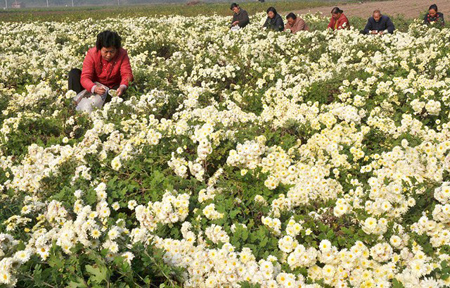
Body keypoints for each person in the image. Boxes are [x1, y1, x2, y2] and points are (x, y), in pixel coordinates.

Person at [68, 30, 133, 113]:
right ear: (99, 49)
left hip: (111, 87)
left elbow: (126, 74)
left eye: (112, 51)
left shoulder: (122, 53)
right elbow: (85, 77)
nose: (109, 55)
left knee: (121, 90)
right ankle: (74, 102)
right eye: (105, 51)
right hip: (93, 85)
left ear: (117, 49)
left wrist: (122, 87)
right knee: (74, 73)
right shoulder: (92, 53)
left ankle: (104, 104)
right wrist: (93, 87)